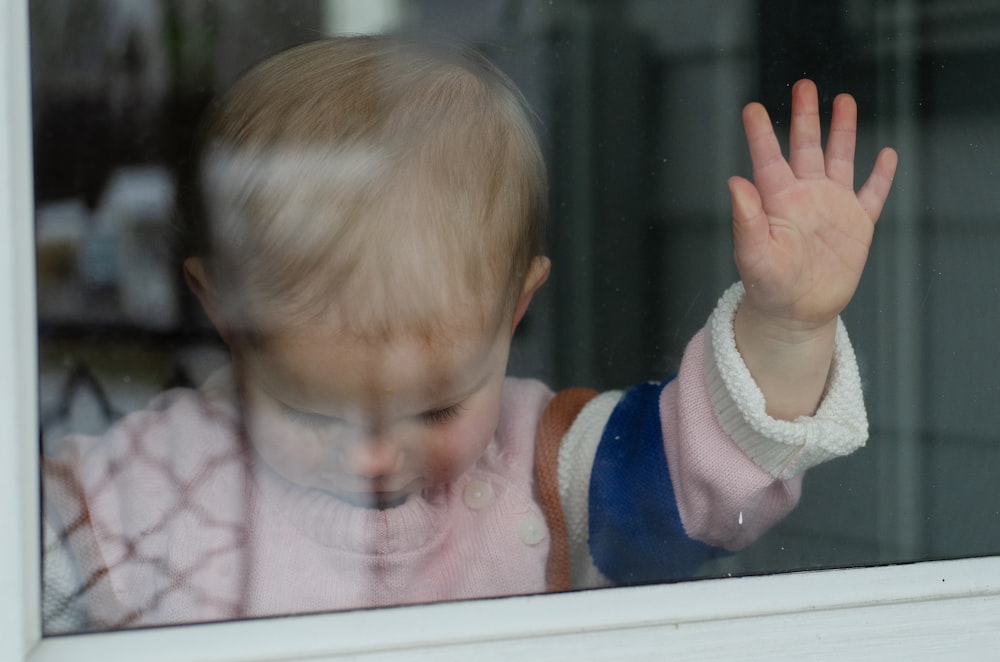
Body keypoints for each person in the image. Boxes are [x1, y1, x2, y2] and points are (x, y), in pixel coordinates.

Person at [42, 36, 897, 631]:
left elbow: (705, 484)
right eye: (317, 415)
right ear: (226, 318)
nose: (375, 456)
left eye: (436, 407)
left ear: (514, 311)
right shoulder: (150, 487)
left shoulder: (547, 472)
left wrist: (787, 328)